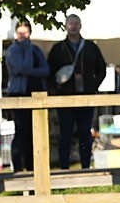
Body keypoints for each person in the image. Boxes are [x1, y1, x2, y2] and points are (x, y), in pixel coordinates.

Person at [46, 14, 107, 169]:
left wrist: (92, 87)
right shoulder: (58, 48)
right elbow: (49, 72)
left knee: (85, 134)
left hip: (86, 98)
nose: (73, 26)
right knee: (65, 134)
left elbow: (101, 69)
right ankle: (64, 168)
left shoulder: (90, 47)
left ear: (81, 26)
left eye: (76, 23)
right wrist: (58, 88)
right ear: (66, 26)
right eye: (71, 23)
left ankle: (85, 166)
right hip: (65, 98)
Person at [4, 20, 50, 172]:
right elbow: (24, 67)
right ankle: (17, 168)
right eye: (19, 33)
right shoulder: (13, 51)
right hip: (19, 94)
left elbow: (46, 70)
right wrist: (27, 51)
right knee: (21, 132)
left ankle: (33, 168)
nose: (23, 36)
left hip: (36, 94)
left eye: (26, 32)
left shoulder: (36, 49)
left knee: (34, 133)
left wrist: (30, 70)